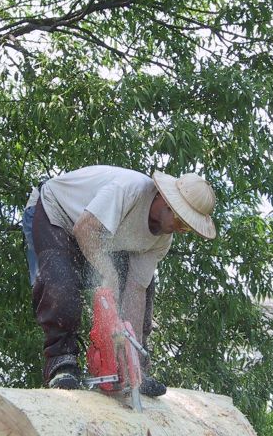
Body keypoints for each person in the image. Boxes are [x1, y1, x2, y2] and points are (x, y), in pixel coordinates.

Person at [23, 165, 216, 395]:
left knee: (142, 293)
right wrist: (109, 273)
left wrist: (128, 347)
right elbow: (85, 228)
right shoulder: (129, 191)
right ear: (168, 203)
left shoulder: (161, 240)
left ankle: (132, 368)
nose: (183, 230)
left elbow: (136, 289)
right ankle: (61, 363)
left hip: (99, 235)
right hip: (55, 213)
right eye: (183, 221)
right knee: (61, 284)